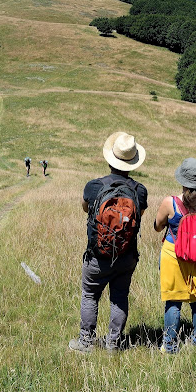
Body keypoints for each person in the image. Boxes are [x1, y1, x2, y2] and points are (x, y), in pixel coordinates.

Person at [68, 132, 148, 353]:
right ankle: (113, 343)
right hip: (126, 256)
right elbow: (138, 214)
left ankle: (85, 343)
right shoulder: (140, 191)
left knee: (90, 295)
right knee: (119, 297)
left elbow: (85, 208)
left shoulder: (94, 186)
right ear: (132, 162)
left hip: (97, 256)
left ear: (110, 158)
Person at [153, 157, 196, 353]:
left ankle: (169, 345)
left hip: (174, 255)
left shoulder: (170, 202)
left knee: (173, 301)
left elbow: (157, 226)